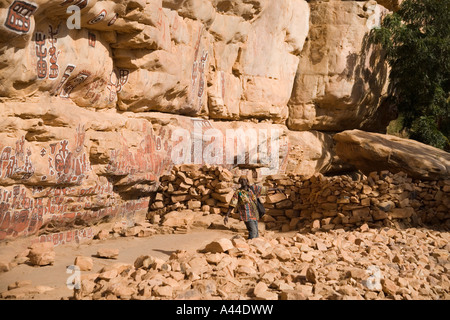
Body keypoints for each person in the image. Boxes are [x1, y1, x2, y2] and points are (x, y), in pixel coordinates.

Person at [224, 175, 281, 240]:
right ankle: (248, 244)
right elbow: (232, 203)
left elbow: (264, 189)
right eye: (241, 180)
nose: (243, 181)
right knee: (253, 232)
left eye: (244, 180)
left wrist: (275, 189)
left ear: (247, 181)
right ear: (239, 182)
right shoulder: (238, 192)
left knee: (256, 233)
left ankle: (252, 248)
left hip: (255, 214)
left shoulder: (253, 189)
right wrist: (227, 215)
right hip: (246, 215)